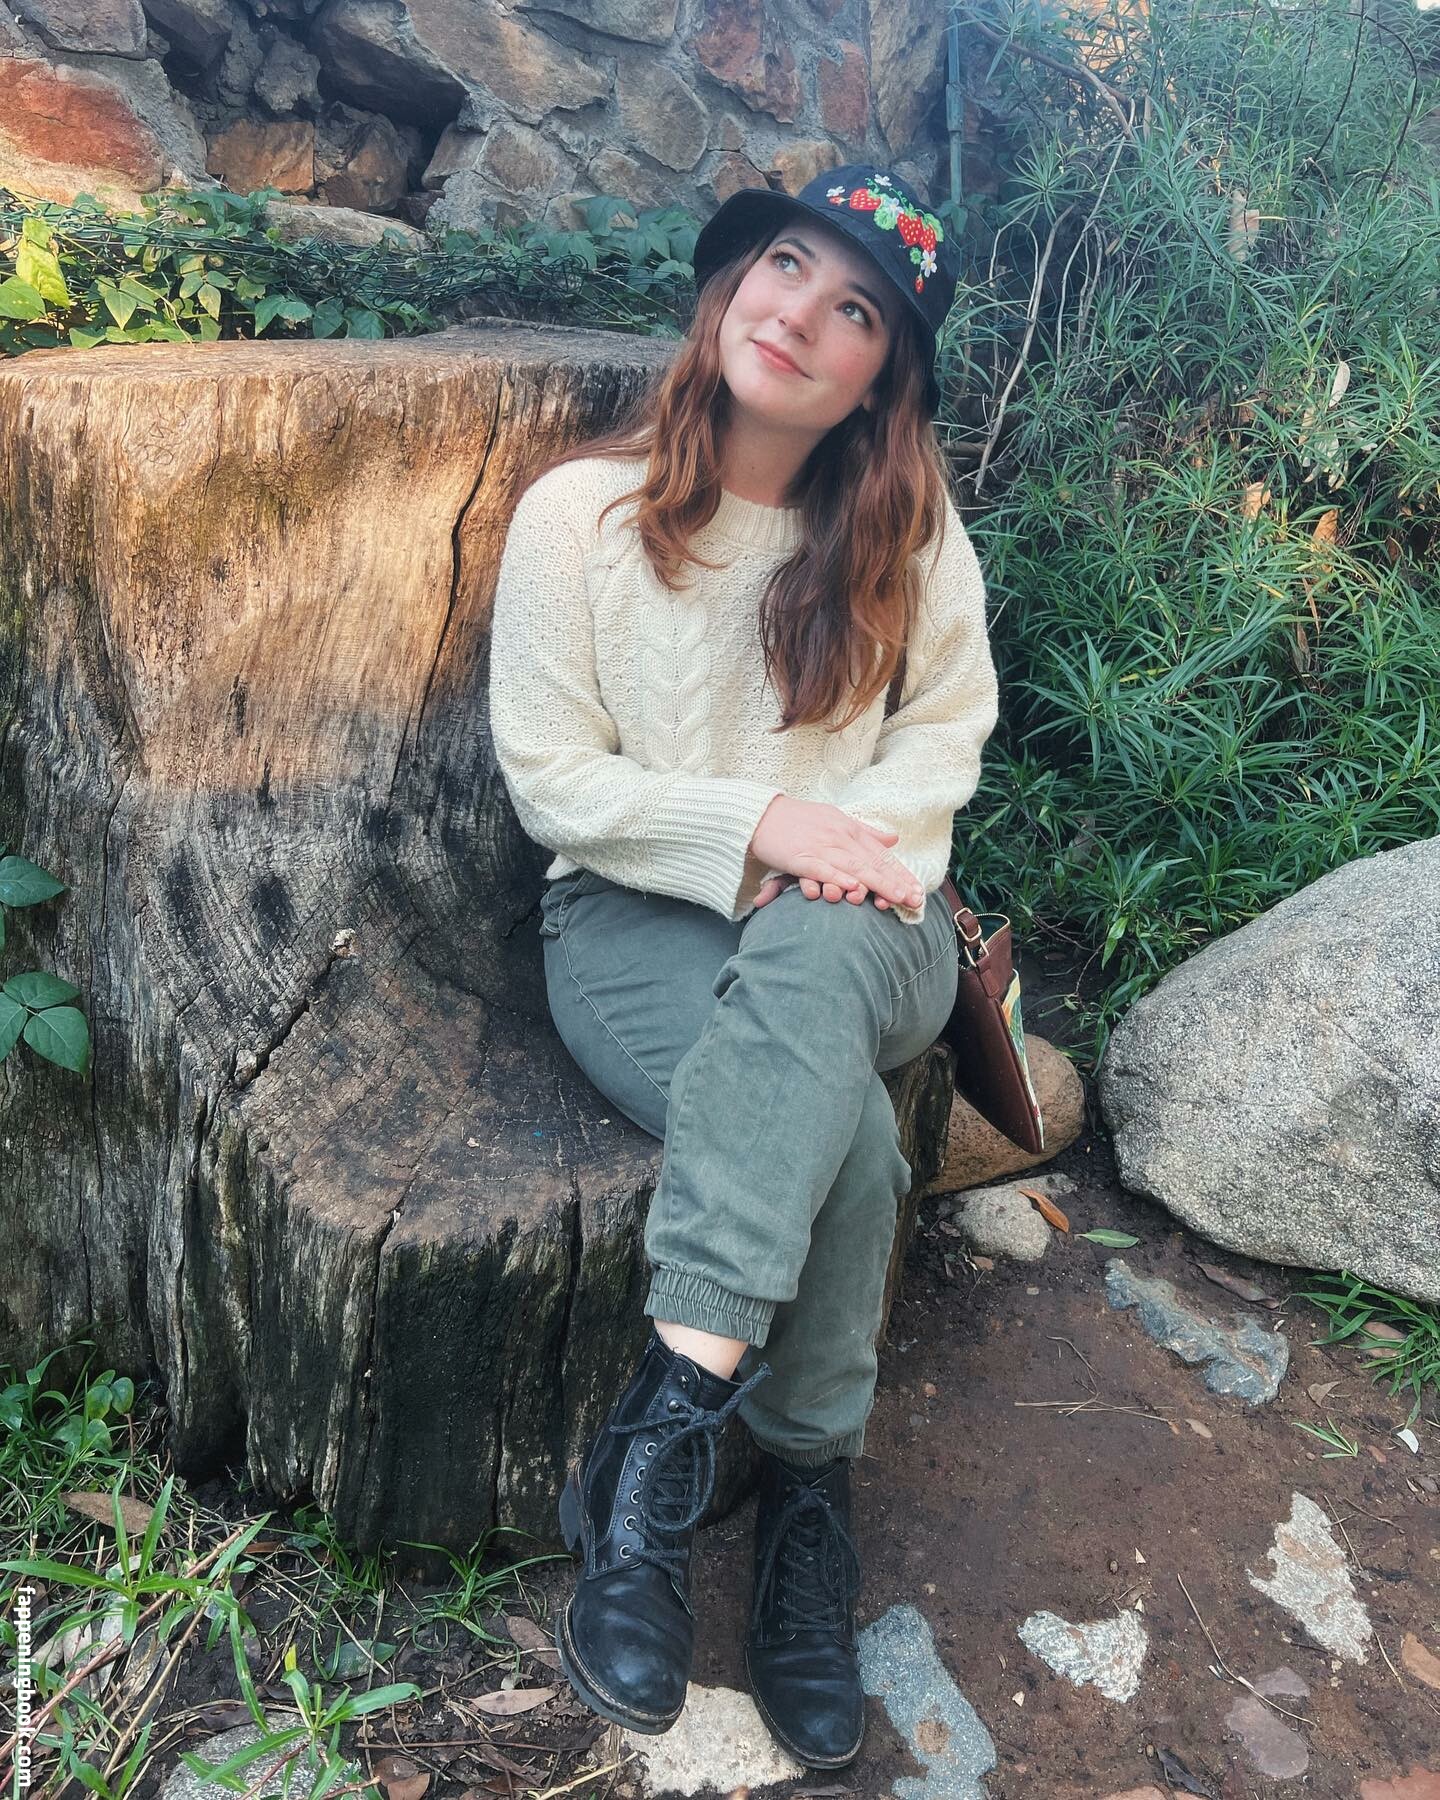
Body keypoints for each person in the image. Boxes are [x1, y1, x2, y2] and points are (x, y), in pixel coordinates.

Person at [488, 162, 1000, 1770]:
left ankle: (650, 1448)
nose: (802, 316)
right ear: (729, 285)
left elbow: (943, 744)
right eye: (786, 266)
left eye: (857, 310)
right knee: (842, 1138)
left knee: (818, 959)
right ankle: (806, 1495)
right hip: (635, 916)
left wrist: (832, 854)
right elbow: (553, 778)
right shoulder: (579, 519)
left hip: (871, 926)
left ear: (881, 377)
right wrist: (755, 823)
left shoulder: (910, 537)